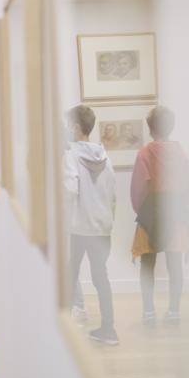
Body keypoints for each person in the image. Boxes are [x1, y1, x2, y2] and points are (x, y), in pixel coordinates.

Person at [130, 106, 189, 327]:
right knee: (175, 263)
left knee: (147, 264)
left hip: (151, 210)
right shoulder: (180, 152)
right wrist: (180, 203)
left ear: (150, 129)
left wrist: (141, 210)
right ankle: (174, 310)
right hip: (175, 209)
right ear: (172, 126)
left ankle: (149, 312)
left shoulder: (145, 153)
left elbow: (138, 187)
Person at [64, 105, 119, 345]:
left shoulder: (71, 155)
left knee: (70, 274)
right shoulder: (105, 156)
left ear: (76, 127)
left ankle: (63, 329)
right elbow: (113, 195)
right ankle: (109, 330)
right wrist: (107, 220)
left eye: (69, 125)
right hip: (102, 228)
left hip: (79, 227)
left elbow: (69, 190)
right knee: (101, 278)